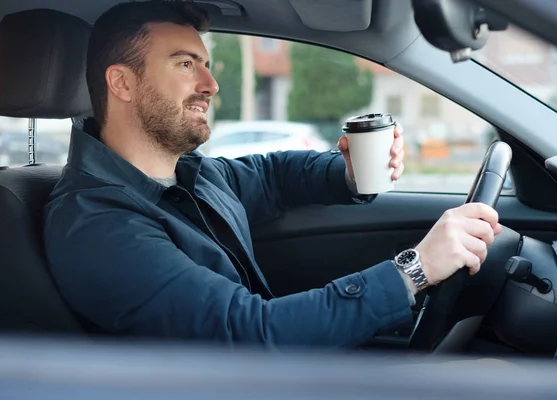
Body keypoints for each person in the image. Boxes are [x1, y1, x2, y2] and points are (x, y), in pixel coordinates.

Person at [44, 0, 501, 347]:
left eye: (206, 64)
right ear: (122, 83)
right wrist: (415, 271)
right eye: (185, 64)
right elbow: (252, 332)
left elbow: (273, 175)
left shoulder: (188, 175)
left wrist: (348, 173)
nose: (211, 84)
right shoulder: (97, 225)